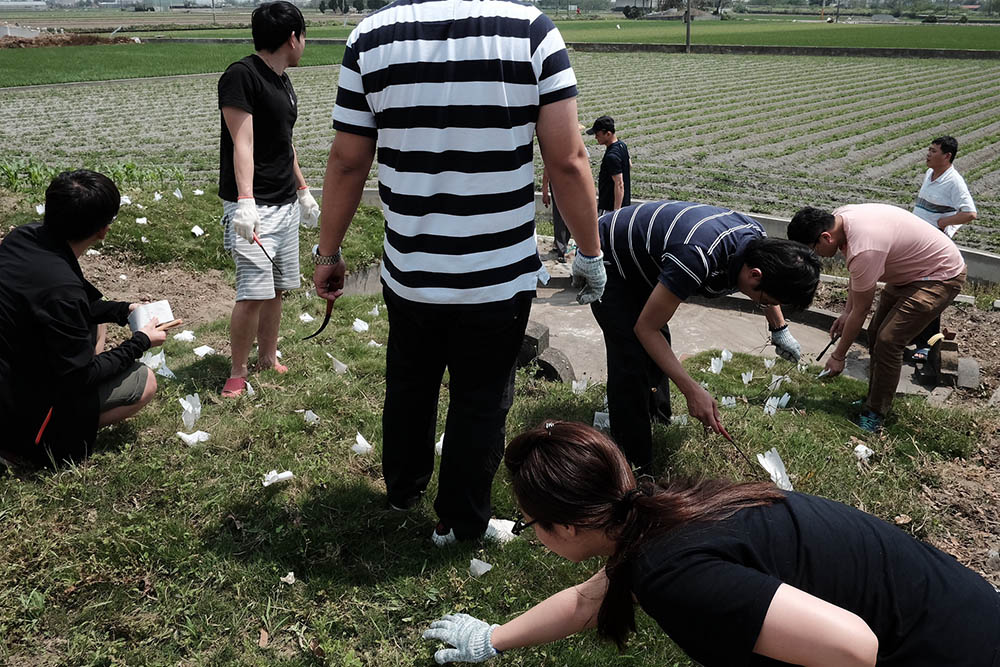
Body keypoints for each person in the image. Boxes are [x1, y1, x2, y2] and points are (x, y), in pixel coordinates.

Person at [313, 0, 606, 546]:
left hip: (412, 270)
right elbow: (567, 160)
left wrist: (328, 253)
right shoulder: (533, 32)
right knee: (481, 398)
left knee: (410, 384)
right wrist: (589, 253)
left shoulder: (371, 37)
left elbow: (347, 160)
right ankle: (462, 518)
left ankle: (402, 491)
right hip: (496, 275)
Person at [422, 420, 1000, 666]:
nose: (532, 538)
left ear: (568, 526)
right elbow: (586, 601)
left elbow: (853, 651)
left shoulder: (673, 572)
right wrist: (491, 640)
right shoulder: (663, 511)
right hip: (966, 608)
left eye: (528, 524)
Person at [592, 200, 820, 472]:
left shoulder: (759, 244)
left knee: (657, 341)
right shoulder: (696, 256)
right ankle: (634, 465)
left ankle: (657, 419)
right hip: (609, 254)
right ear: (755, 274)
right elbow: (646, 329)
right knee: (630, 354)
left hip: (648, 256)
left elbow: (769, 290)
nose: (765, 304)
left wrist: (779, 329)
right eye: (765, 300)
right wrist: (691, 390)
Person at [0, 170, 165, 468]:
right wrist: (140, 342)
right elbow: (80, 376)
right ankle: (39, 445)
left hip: (11, 369)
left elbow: (80, 305)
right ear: (103, 230)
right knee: (146, 381)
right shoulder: (64, 290)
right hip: (23, 413)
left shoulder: (23, 237)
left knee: (94, 320)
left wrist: (122, 310)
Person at [217, 0, 320, 398]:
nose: (304, 44)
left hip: (285, 201)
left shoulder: (282, 80)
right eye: (304, 36)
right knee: (252, 291)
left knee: (277, 287)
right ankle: (237, 371)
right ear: (293, 37)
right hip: (254, 206)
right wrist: (245, 201)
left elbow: (283, 143)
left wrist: (303, 189)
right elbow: (242, 143)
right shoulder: (241, 77)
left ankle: (267, 357)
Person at [788, 204, 966, 432]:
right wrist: (846, 312)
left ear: (825, 237)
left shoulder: (864, 248)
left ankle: (876, 412)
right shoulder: (841, 219)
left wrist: (838, 356)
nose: (816, 255)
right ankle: (873, 399)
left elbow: (861, 310)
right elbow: (857, 279)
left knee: (888, 340)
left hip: (940, 275)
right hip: (911, 270)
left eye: (813, 249)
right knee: (875, 333)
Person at [909, 135, 977, 361]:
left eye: (933, 151)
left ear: (947, 156)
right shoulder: (930, 174)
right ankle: (909, 334)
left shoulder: (954, 181)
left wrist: (942, 223)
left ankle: (926, 344)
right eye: (928, 149)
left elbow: (969, 213)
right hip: (917, 241)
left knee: (928, 292)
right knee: (909, 288)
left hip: (933, 246)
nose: (928, 154)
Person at [586, 115, 630, 214]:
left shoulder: (612, 156)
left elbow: (619, 184)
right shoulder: (622, 145)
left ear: (608, 134)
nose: (596, 137)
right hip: (625, 206)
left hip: (610, 208)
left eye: (598, 134)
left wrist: (616, 212)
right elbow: (629, 165)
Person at [540, 166, 570, 262]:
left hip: (570, 180)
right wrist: (545, 188)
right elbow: (548, 166)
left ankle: (560, 246)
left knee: (567, 214)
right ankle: (561, 249)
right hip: (559, 181)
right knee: (560, 215)